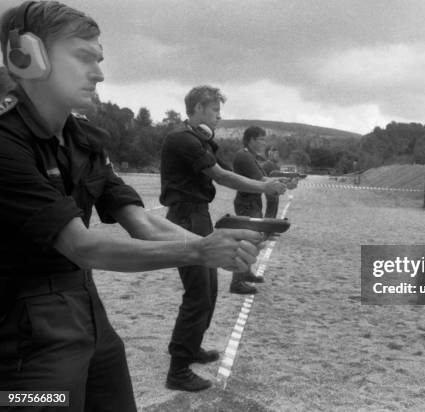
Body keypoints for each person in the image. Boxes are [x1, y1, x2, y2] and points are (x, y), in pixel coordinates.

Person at [0, 2, 265, 411]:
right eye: (84, 57)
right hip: (23, 341)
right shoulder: (5, 142)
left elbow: (139, 221)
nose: (99, 73)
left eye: (99, 59)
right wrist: (199, 250)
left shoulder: (82, 140)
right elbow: (82, 246)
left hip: (87, 316)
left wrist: (213, 243)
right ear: (26, 57)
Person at [159, 86, 287, 391]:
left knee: (209, 290)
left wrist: (267, 181)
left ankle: (190, 349)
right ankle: (178, 370)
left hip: (197, 215)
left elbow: (226, 170)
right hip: (187, 216)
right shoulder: (182, 139)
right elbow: (222, 176)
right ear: (199, 108)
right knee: (199, 294)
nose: (219, 116)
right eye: (215, 110)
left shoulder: (198, 139)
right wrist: (264, 188)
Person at [230, 128, 297, 294]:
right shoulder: (244, 156)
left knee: (253, 239)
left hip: (252, 202)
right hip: (247, 203)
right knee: (246, 242)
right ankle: (237, 282)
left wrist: (283, 181)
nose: (263, 143)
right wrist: (283, 183)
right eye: (261, 140)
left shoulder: (250, 156)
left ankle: (245, 273)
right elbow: (262, 180)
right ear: (251, 140)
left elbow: (264, 179)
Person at [261, 145, 281, 218]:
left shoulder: (273, 165)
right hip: (270, 190)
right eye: (276, 154)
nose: (278, 156)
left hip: (274, 190)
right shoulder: (268, 164)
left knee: (273, 210)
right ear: (270, 154)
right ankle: (266, 226)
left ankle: (269, 225)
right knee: (271, 211)